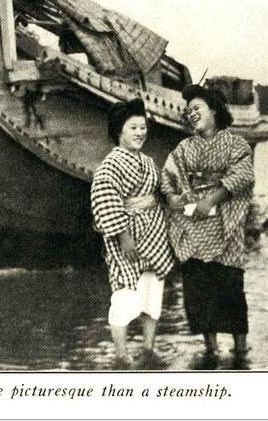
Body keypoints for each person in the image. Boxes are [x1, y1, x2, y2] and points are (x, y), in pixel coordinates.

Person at [162, 84, 255, 360]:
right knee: (198, 288)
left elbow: (243, 175)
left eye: (197, 108)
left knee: (231, 286)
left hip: (225, 222)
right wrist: (172, 197)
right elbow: (168, 176)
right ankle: (211, 349)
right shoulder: (183, 148)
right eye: (188, 110)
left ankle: (240, 350)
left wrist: (212, 199)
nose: (191, 114)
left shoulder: (236, 144)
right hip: (193, 224)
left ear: (214, 110)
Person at [90, 98, 174, 369]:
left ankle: (148, 349)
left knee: (152, 294)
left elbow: (161, 191)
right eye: (133, 128)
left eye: (143, 127)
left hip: (154, 233)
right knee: (125, 294)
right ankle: (122, 355)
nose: (140, 133)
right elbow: (105, 200)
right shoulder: (110, 166)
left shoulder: (147, 162)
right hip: (128, 234)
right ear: (119, 132)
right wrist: (124, 236)